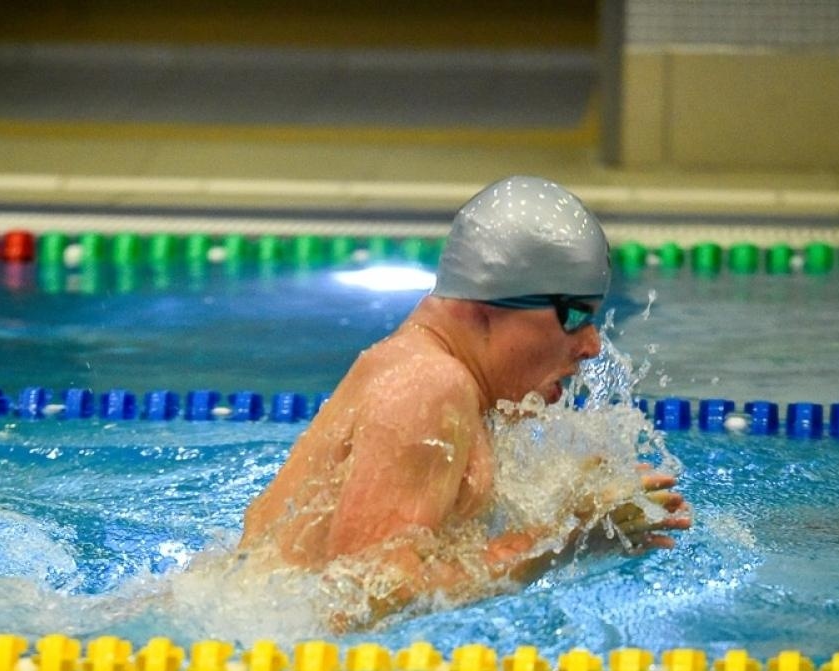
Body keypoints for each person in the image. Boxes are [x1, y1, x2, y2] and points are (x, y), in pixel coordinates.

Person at [239, 177, 689, 617]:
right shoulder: (430, 385)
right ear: (489, 303)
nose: (591, 344)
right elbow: (362, 598)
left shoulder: (432, 374)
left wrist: (583, 502)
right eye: (573, 315)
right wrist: (563, 536)